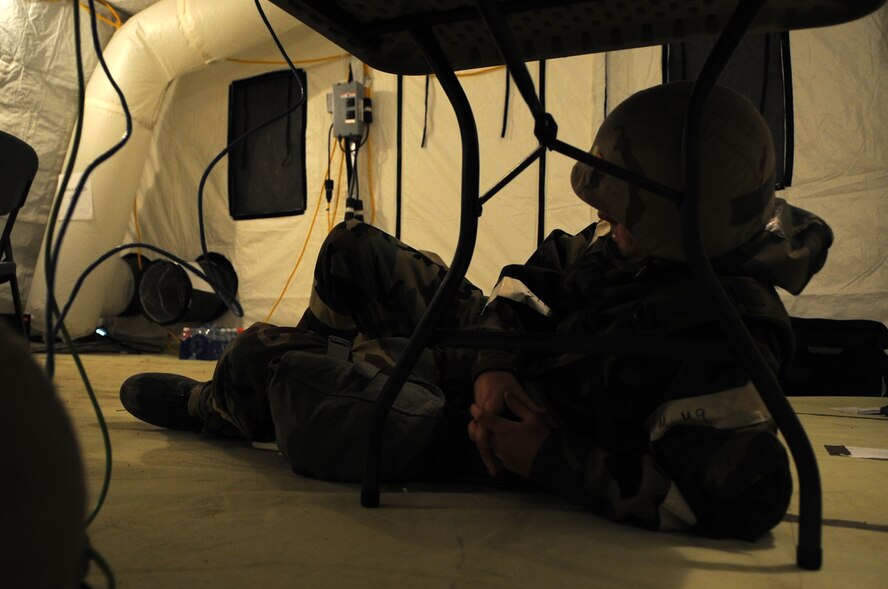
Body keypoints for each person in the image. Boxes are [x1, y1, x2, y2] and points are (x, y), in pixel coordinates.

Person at [120, 82, 833, 541]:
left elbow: (745, 499)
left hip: (494, 435)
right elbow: (526, 285)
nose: (607, 227)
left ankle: (228, 403)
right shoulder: (635, 244)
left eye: (623, 218)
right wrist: (494, 363)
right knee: (351, 249)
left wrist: (549, 459)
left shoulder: (726, 336)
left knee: (286, 376)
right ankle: (319, 364)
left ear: (682, 224)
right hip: (503, 366)